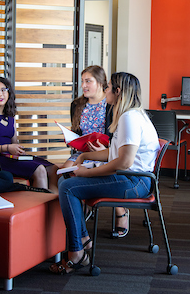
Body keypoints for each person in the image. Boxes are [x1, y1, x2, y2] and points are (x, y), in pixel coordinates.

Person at [50, 72, 160, 274]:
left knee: (67, 187)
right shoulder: (133, 115)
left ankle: (77, 252)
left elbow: (125, 162)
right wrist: (83, 157)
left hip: (134, 182)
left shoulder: (129, 118)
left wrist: (87, 173)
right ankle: (82, 240)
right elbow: (116, 152)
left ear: (118, 92)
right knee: (68, 182)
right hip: (135, 179)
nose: (106, 90)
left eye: (109, 87)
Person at [60, 66, 129, 238]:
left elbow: (117, 135)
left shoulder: (111, 104)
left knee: (106, 171)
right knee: (65, 173)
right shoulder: (76, 105)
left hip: (107, 151)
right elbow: (77, 131)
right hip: (83, 151)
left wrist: (105, 149)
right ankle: (78, 210)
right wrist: (71, 139)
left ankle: (121, 211)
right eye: (82, 81)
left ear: (100, 83)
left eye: (88, 81)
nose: (83, 85)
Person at [0, 77, 57, 190]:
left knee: (53, 169)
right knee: (39, 169)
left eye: (3, 90)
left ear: (8, 93)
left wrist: (20, 152)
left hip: (10, 157)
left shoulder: (10, 116)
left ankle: (53, 205)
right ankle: (42, 204)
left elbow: (14, 143)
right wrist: (6, 147)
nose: (0, 94)